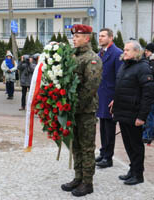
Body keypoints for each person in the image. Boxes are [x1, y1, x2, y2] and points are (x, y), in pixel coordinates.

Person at [61, 24, 102, 197]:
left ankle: (87, 182)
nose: (74, 39)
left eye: (77, 36)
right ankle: (78, 177)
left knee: (86, 147)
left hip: (85, 111)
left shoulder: (92, 58)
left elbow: (90, 87)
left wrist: (75, 106)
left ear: (87, 38)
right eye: (73, 36)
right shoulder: (72, 56)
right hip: (72, 110)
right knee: (75, 145)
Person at [110, 40, 154, 185]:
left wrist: (142, 116)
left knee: (136, 145)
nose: (125, 52)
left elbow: (148, 94)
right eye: (124, 50)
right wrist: (115, 101)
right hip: (123, 111)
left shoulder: (142, 67)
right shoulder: (125, 65)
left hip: (134, 114)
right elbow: (121, 87)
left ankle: (138, 174)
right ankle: (132, 170)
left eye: (128, 50)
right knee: (128, 145)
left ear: (137, 52)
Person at [95, 28, 123, 168]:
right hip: (101, 95)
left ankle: (108, 157)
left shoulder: (117, 53)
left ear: (111, 38)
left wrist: (116, 98)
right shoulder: (99, 53)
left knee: (109, 128)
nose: (100, 38)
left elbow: (120, 77)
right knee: (103, 126)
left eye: (103, 36)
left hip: (110, 95)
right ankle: (103, 151)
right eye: (99, 36)